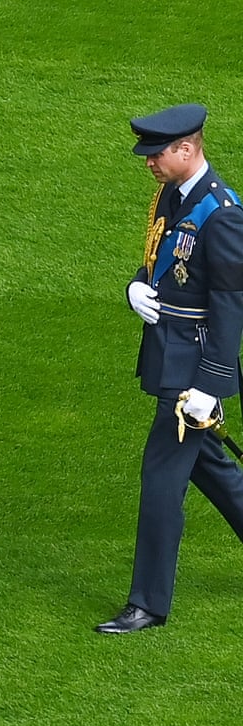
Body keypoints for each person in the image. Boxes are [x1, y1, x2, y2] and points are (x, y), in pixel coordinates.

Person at [96, 103, 243, 634]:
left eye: (156, 154)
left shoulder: (221, 212)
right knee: (211, 466)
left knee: (161, 479)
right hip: (169, 348)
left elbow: (231, 305)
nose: (148, 163)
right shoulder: (171, 194)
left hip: (193, 368)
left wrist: (210, 386)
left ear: (187, 149)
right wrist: (137, 282)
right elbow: (160, 255)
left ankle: (147, 603)